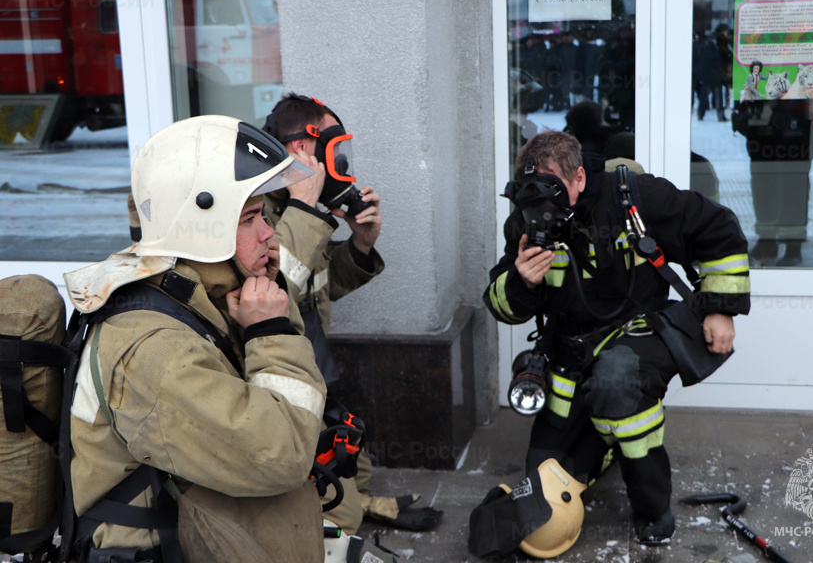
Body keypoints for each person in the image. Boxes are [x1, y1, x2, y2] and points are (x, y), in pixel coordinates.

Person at [64, 115, 327, 562]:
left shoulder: (204, 293)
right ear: (200, 228)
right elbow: (283, 453)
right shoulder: (153, 351)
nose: (268, 233)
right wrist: (271, 331)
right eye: (249, 218)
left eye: (264, 215)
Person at [483, 131, 750, 545]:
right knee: (543, 478)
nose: (542, 204)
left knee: (617, 385)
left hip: (638, 331)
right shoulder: (524, 220)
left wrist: (720, 307)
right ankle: (603, 442)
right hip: (570, 350)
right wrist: (522, 282)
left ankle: (652, 507)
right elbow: (502, 307)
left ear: (579, 179)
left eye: (554, 190)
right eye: (530, 192)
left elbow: (717, 229)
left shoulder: (634, 196)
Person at [261, 93, 442, 535]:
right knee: (339, 495)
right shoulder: (256, 213)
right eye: (333, 151)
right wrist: (306, 210)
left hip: (312, 370)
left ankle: (346, 503)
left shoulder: (296, 211)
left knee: (355, 467)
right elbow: (275, 291)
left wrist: (361, 243)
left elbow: (316, 289)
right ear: (303, 150)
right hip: (270, 384)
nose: (340, 162)